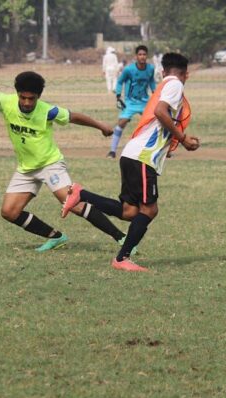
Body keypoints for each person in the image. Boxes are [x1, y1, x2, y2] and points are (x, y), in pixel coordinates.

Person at [0, 71, 132, 253]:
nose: (26, 102)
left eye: (31, 98)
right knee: (9, 212)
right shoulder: (4, 101)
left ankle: (121, 237)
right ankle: (55, 237)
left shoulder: (48, 111)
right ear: (17, 94)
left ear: (38, 97)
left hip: (50, 164)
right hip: (26, 169)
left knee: (71, 203)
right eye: (22, 97)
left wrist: (100, 126)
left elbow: (74, 117)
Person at [62, 53, 200, 272]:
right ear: (186, 74)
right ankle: (121, 258)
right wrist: (182, 139)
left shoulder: (164, 84)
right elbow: (160, 112)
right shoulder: (175, 85)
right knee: (150, 210)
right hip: (142, 157)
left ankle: (81, 194)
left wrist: (179, 138)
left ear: (162, 71)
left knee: (129, 212)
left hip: (132, 154)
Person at [107, 45, 156, 159]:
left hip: (144, 101)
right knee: (121, 123)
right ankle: (112, 151)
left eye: (144, 54)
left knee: (153, 124)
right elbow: (120, 82)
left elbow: (151, 81)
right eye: (140, 54)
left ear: (146, 56)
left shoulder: (150, 69)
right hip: (130, 102)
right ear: (136, 56)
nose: (142, 57)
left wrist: (155, 93)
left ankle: (154, 150)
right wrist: (118, 95)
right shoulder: (129, 69)